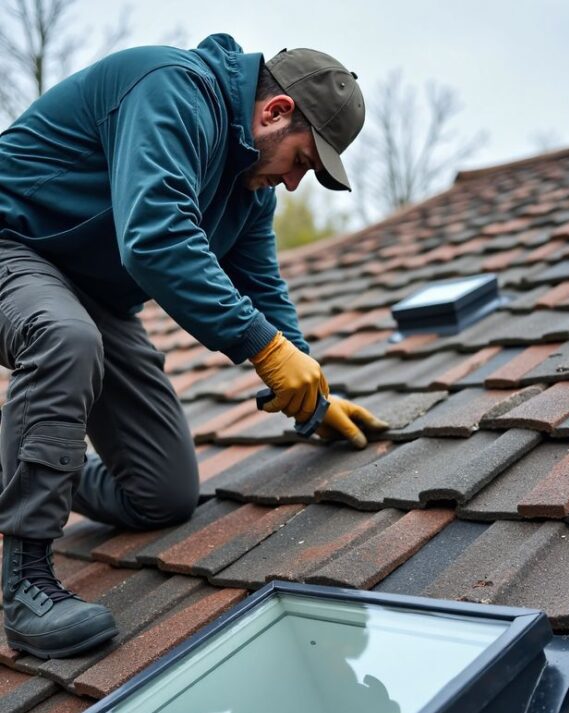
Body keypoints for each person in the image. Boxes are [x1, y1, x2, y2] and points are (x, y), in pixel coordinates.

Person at [0, 33, 388, 660]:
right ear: (275, 112)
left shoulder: (247, 187)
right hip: (13, 244)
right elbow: (155, 237)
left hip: (94, 296)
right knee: (64, 337)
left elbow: (262, 286)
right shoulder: (170, 87)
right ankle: (26, 588)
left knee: (164, 494)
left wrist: (313, 391)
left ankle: (17, 461)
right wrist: (264, 351)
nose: (293, 184)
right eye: (302, 162)